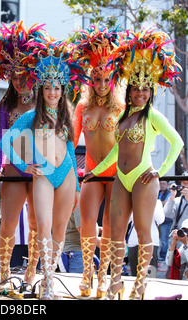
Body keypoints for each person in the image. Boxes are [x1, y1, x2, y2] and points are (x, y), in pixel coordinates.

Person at [83, 28, 184, 300]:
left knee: (141, 232)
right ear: (130, 90)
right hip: (120, 178)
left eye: (145, 89)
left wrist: (159, 173)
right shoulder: (125, 115)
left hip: (143, 178)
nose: (140, 92)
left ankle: (140, 284)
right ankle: (115, 281)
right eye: (136, 88)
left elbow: (177, 143)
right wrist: (95, 170)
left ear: (151, 91)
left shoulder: (153, 115)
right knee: (115, 231)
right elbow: (117, 149)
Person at [1, 40, 86, 299]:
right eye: (48, 87)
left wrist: (77, 188)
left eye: (56, 88)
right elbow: (5, 141)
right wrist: (24, 164)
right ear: (42, 89)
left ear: (62, 91)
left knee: (60, 228)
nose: (52, 92)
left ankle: (50, 281)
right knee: (44, 226)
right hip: (43, 175)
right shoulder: (30, 117)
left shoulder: (66, 117)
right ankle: (45, 280)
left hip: (67, 174)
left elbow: (71, 150)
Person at [0, 22, 48, 288]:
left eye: (26, 75)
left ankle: (31, 273)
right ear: (8, 77)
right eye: (15, 75)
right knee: (8, 224)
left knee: (35, 223)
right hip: (13, 171)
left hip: (39, 171)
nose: (21, 81)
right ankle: (4, 275)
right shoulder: (5, 106)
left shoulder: (44, 102)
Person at [73, 25, 124, 298]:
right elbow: (71, 140)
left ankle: (103, 276)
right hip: (91, 172)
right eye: (97, 79)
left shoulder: (121, 107)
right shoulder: (83, 107)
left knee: (112, 225)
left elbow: (128, 144)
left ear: (112, 79)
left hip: (116, 175)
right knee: (87, 222)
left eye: (107, 79)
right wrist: (69, 172)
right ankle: (86, 272)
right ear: (91, 79)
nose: (102, 85)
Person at [127, 199, 165, 277]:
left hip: (151, 241)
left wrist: (150, 202)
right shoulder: (133, 201)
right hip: (134, 240)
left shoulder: (157, 202)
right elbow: (127, 220)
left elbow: (160, 219)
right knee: (135, 273)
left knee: (150, 273)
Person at [164, 171, 188, 240]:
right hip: (178, 239)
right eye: (184, 183)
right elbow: (167, 214)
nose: (186, 186)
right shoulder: (177, 200)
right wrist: (172, 196)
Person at [158, 180, 172, 261]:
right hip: (156, 219)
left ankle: (163, 256)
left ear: (167, 184)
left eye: (164, 183)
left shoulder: (169, 193)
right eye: (160, 183)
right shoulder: (158, 192)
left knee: (164, 239)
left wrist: (157, 203)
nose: (162, 185)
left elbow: (166, 203)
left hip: (165, 219)